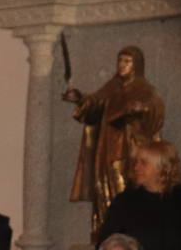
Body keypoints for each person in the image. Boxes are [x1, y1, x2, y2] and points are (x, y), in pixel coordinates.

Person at [62, 45, 165, 237]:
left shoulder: (145, 90)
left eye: (127, 61)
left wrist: (141, 110)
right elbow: (94, 103)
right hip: (107, 148)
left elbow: (155, 113)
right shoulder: (112, 87)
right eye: (120, 60)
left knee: (128, 187)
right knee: (105, 188)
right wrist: (79, 99)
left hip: (131, 148)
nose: (122, 65)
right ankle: (107, 230)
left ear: (136, 65)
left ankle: (128, 231)